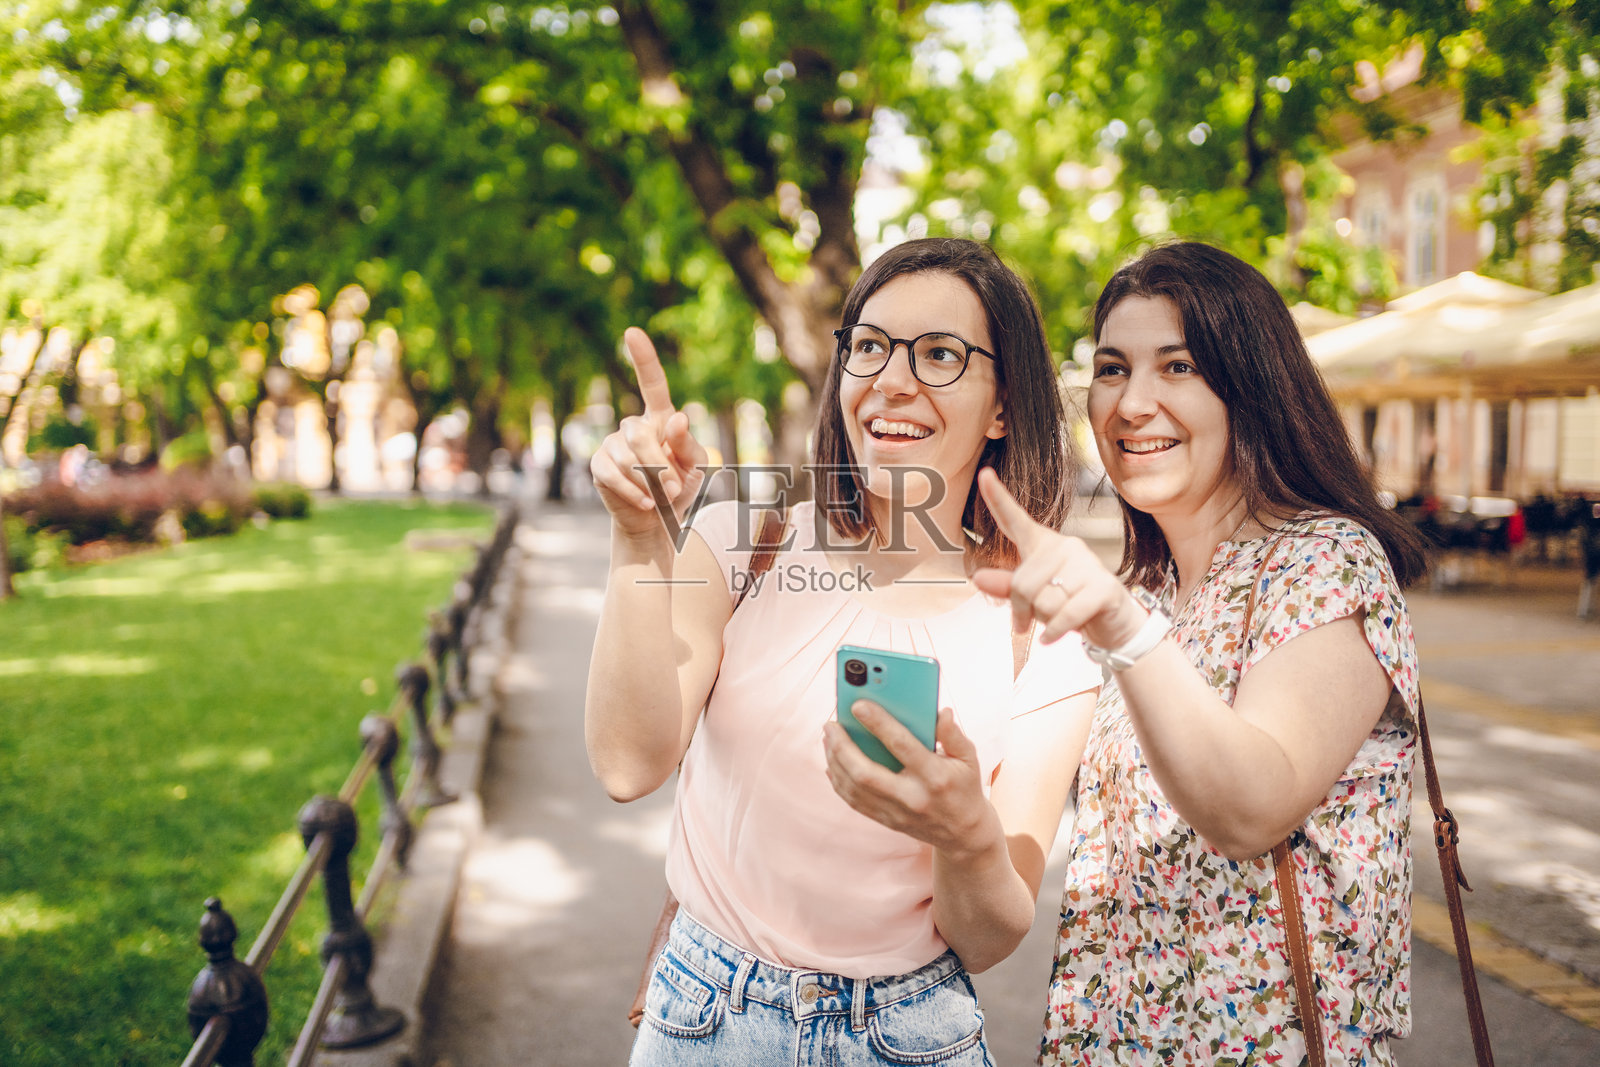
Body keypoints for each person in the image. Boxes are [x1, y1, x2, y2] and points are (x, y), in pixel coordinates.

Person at [585, 238, 1103, 1065]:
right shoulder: (742, 541)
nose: (891, 379)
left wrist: (964, 835)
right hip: (701, 1020)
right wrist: (640, 540)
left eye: (940, 354)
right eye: (869, 346)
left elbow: (988, 935)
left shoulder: (1047, 630)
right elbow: (626, 763)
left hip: (908, 1036)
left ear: (1003, 408)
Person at [966, 241, 1430, 1066]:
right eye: (1112, 369)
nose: (1131, 402)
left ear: (1251, 386)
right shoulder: (1147, 590)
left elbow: (1250, 807)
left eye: (1177, 367)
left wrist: (1120, 629)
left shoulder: (1326, 563)